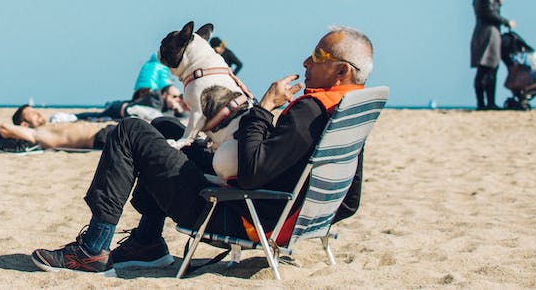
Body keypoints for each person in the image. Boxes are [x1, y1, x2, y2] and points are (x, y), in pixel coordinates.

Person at [30, 26, 373, 276]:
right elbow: (350, 200)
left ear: (342, 69)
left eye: (317, 57)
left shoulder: (308, 113)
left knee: (130, 131)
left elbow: (252, 171)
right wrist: (310, 218)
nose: (306, 62)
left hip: (236, 214)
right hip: (271, 210)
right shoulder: (348, 108)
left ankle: (92, 248)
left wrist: (264, 108)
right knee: (165, 128)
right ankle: (148, 242)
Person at [470, 0, 514, 110]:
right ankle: (489, 103)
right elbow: (489, 12)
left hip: (480, 31)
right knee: (490, 68)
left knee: (483, 69)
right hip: (490, 32)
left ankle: (482, 103)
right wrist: (506, 21)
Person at [0, 105, 119, 150]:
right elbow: (2, 128)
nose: (38, 113)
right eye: (32, 113)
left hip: (108, 130)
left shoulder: (48, 126)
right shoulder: (38, 133)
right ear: (24, 124)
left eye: (35, 110)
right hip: (103, 137)